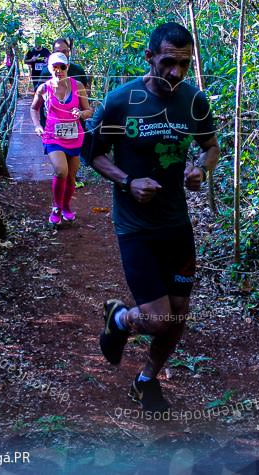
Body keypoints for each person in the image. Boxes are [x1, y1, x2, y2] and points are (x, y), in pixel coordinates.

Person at [85, 22, 220, 415]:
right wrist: (127, 181)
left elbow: (210, 146)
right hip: (136, 228)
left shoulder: (194, 101)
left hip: (176, 226)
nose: (176, 72)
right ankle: (121, 319)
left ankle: (147, 381)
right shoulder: (121, 101)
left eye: (183, 63)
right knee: (159, 318)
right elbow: (93, 154)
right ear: (149, 58)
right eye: (167, 62)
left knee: (177, 315)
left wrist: (200, 168)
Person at [31, 52, 92, 225]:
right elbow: (34, 109)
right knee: (61, 170)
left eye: (62, 67)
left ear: (67, 67)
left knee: (71, 177)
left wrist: (80, 113)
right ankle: (56, 207)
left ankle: (66, 206)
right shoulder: (44, 88)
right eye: (54, 67)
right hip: (53, 136)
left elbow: (89, 110)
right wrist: (37, 125)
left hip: (74, 135)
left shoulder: (78, 85)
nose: (58, 70)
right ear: (49, 68)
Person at [41, 37, 91, 187]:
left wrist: (82, 110)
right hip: (53, 122)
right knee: (61, 166)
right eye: (58, 51)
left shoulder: (78, 70)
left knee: (73, 156)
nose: (63, 53)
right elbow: (40, 98)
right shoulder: (46, 72)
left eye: (65, 51)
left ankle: (72, 178)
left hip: (75, 120)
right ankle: (60, 177)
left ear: (69, 52)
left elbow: (86, 91)